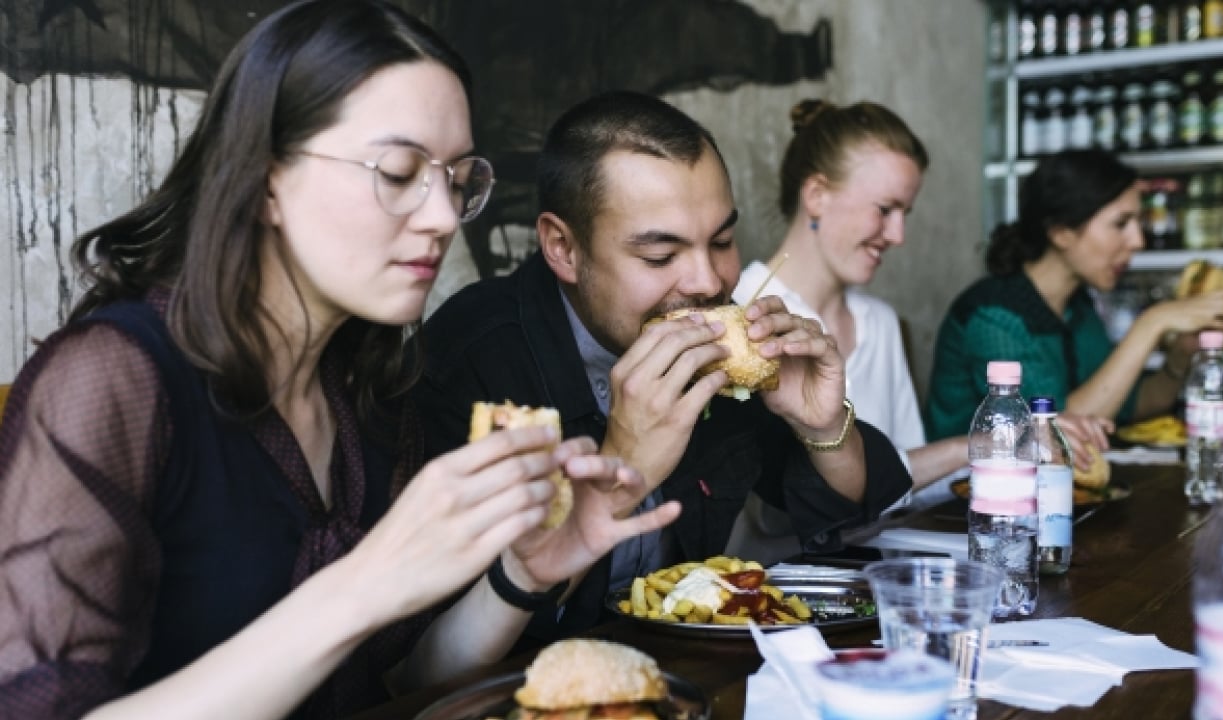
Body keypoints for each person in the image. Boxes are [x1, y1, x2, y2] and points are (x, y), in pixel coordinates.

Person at [0, 3, 677, 719]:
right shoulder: (113, 380)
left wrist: (521, 575)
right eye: (399, 171)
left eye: (456, 180)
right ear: (267, 178)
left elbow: (401, 681)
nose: (443, 217)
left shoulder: (368, 390)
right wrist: (365, 583)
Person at [413, 90, 912, 642]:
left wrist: (821, 426)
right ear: (563, 247)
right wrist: (625, 460)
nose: (707, 281)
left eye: (721, 241)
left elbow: (844, 519)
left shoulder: (717, 345)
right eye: (660, 256)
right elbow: (455, 641)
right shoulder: (474, 363)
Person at [925, 149, 1223, 450]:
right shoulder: (993, 316)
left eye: (1139, 223)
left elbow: (1124, 405)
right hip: (967, 495)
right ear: (1061, 232)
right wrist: (1153, 322)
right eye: (1121, 223)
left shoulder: (1078, 307)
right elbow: (1053, 437)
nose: (1138, 241)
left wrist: (1180, 357)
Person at [733, 99, 967, 505]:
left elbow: (907, 488)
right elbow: (772, 508)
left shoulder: (881, 321)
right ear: (817, 195)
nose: (898, 236)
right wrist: (970, 448)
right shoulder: (740, 310)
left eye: (905, 213)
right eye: (885, 209)